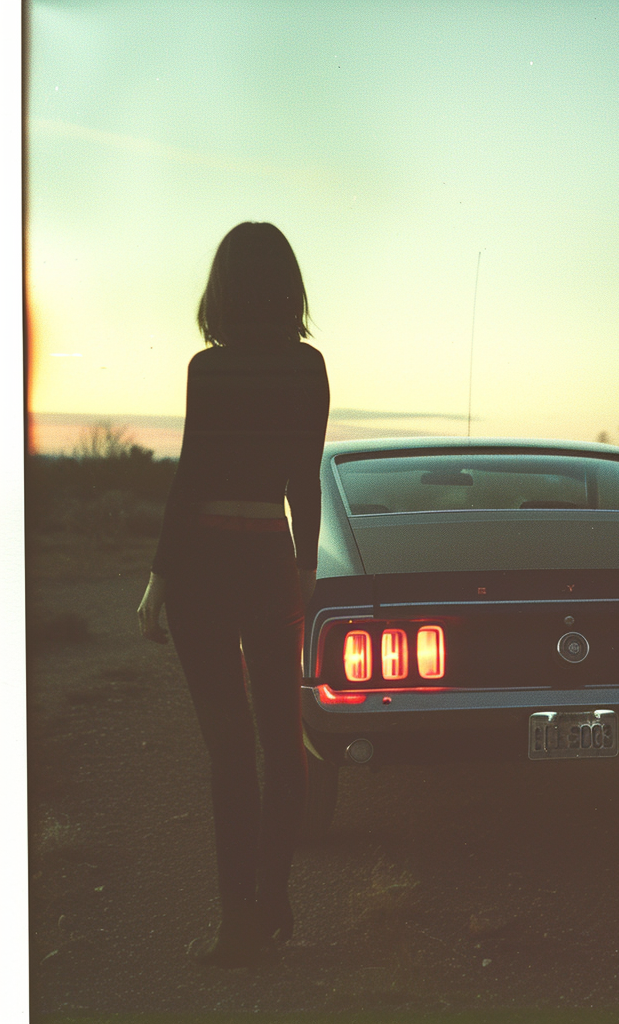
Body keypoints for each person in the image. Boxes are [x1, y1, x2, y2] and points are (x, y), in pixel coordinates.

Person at [137, 222, 330, 968]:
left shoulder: (205, 369)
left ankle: (234, 923)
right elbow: (305, 482)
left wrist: (160, 573)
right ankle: (273, 899)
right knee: (282, 742)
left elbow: (190, 476)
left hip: (201, 566)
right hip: (265, 560)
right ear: (288, 286)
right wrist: (306, 574)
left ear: (221, 287)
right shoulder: (308, 368)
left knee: (229, 751)